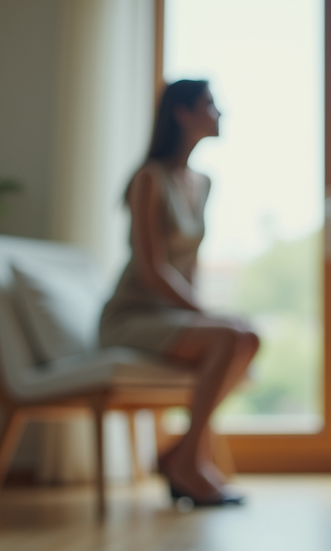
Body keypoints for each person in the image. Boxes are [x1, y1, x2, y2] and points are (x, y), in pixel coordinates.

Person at [99, 79, 259, 507]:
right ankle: (188, 462)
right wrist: (205, 314)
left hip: (174, 315)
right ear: (182, 114)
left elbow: (190, 264)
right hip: (132, 317)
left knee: (248, 335)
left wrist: (205, 314)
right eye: (210, 104)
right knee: (229, 334)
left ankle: (179, 454)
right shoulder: (148, 179)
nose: (219, 112)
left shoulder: (203, 183)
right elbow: (153, 271)